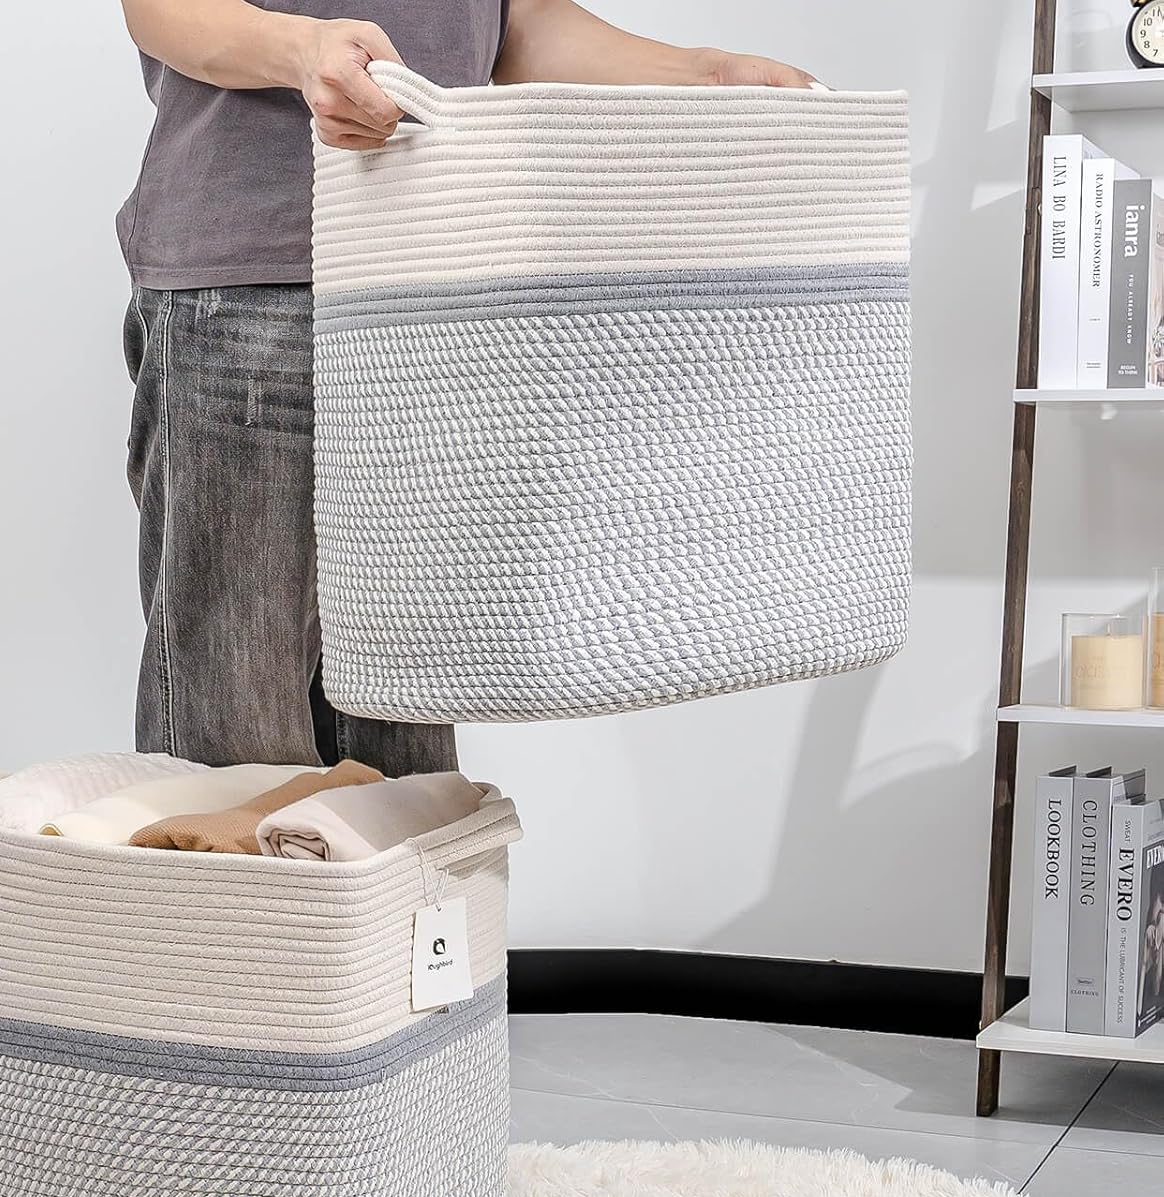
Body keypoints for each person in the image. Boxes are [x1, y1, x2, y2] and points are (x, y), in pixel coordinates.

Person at [118, 0, 812, 774]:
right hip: (253, 279)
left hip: (432, 279)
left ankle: (384, 862)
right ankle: (237, 864)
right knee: (232, 722)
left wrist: (702, 74)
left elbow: (517, 20)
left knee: (405, 728)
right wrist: (301, 50)